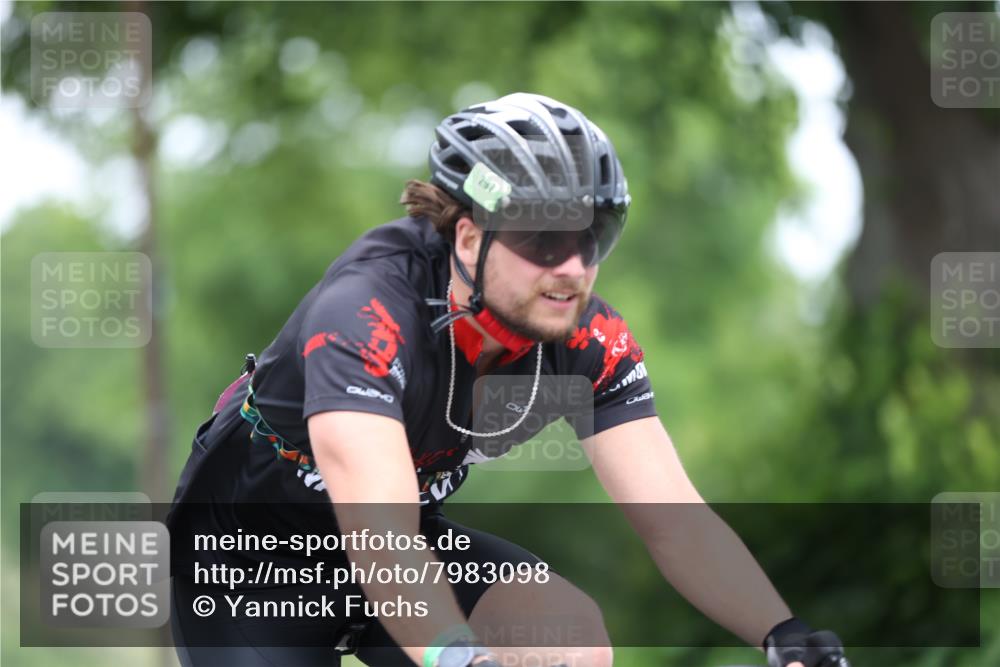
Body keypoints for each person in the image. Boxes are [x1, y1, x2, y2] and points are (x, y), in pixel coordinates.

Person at [166, 92, 849, 667]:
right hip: (253, 561)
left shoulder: (588, 340)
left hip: (408, 541)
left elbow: (673, 520)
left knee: (568, 642)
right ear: (469, 238)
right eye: (543, 239)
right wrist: (457, 657)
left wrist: (782, 634)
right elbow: (382, 538)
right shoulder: (366, 313)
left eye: (592, 237)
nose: (572, 268)